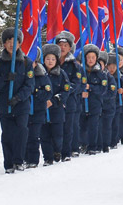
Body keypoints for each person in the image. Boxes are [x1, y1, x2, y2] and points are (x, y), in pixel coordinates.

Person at [0, 28, 35, 173]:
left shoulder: (26, 62)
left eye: (14, 41)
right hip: (4, 104)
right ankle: (8, 164)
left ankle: (18, 160)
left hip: (21, 104)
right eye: (8, 41)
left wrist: (18, 97)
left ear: (19, 44)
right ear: (4, 44)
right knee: (7, 133)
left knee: (21, 131)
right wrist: (5, 78)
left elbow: (30, 85)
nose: (11, 44)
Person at [39, 44, 71, 166]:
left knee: (57, 134)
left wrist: (54, 100)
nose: (50, 61)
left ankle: (57, 150)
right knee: (44, 135)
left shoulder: (61, 74)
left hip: (57, 109)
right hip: (42, 109)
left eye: (53, 59)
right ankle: (47, 157)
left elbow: (66, 90)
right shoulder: (40, 73)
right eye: (48, 59)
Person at [56, 31, 83, 161]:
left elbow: (77, 83)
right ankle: (56, 151)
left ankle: (67, 152)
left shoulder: (74, 65)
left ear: (70, 47)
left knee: (68, 127)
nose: (62, 48)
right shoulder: (51, 61)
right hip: (55, 100)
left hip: (69, 100)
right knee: (55, 127)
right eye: (60, 45)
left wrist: (65, 91)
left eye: (65, 45)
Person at [24, 48, 51, 168]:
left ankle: (33, 160)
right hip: (24, 110)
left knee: (34, 136)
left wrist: (36, 92)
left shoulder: (42, 76)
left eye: (33, 62)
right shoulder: (22, 75)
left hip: (38, 110)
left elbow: (48, 92)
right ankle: (24, 158)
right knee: (23, 135)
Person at [81, 44, 107, 155]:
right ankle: (83, 144)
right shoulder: (81, 71)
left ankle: (93, 146)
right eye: (88, 57)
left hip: (95, 103)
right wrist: (81, 91)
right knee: (82, 125)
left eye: (93, 57)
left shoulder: (100, 73)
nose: (90, 60)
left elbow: (103, 89)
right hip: (82, 103)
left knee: (93, 126)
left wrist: (90, 87)